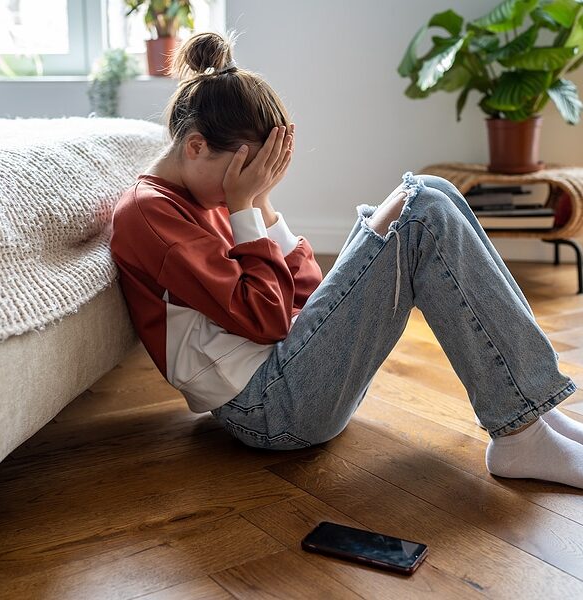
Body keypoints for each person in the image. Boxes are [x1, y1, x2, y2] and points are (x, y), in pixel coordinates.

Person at [110, 31, 583, 489]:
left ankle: (533, 412)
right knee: (422, 214)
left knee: (431, 191)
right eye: (244, 172)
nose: (246, 188)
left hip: (290, 372)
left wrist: (261, 203)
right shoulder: (151, 213)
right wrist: (242, 206)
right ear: (195, 147)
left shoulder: (201, 193)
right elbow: (268, 320)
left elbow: (308, 293)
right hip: (268, 409)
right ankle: (522, 433)